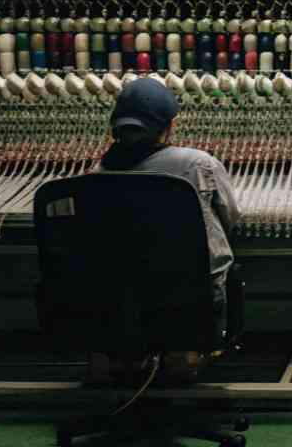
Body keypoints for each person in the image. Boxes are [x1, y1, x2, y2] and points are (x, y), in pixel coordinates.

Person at [94, 77, 240, 380]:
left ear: (115, 128)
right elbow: (230, 219)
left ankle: (131, 360)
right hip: (190, 300)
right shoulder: (198, 165)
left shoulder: (97, 175)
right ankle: (183, 356)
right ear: (170, 125)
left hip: (120, 303)